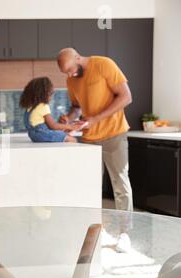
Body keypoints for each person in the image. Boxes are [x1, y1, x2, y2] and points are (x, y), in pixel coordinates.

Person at [57, 48, 134, 252]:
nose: (70, 75)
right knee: (90, 186)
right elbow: (76, 106)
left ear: (77, 57)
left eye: (71, 70)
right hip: (90, 138)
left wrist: (96, 118)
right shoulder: (71, 80)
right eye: (66, 73)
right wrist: (70, 117)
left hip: (114, 133)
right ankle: (96, 231)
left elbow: (126, 97)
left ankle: (125, 233)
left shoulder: (104, 65)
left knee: (120, 183)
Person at [20, 77, 84, 143]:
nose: (51, 97)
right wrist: (71, 127)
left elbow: (47, 126)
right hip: (42, 134)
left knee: (63, 135)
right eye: (51, 94)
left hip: (34, 136)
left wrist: (64, 127)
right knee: (71, 139)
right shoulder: (43, 106)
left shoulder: (30, 107)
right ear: (43, 93)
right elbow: (53, 126)